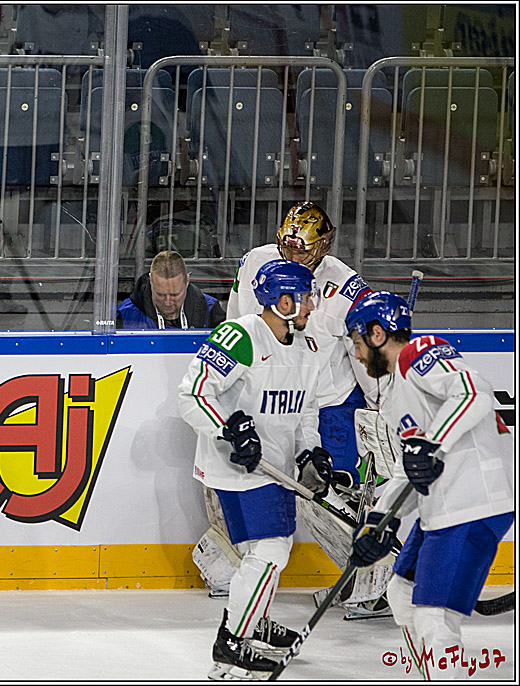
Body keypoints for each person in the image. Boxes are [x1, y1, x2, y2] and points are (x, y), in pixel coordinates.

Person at [209, 200, 392, 621]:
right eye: (290, 248)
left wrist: (380, 402)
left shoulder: (345, 286)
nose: (296, 257)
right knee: (238, 474)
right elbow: (237, 323)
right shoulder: (256, 262)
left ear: (323, 246)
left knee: (323, 491)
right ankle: (226, 565)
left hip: (328, 403)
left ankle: (369, 583)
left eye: (306, 251)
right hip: (269, 395)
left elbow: (362, 347)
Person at [345, 292, 514, 680]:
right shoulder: (392, 396)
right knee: (402, 595)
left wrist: (432, 442)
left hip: (473, 501)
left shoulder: (418, 351)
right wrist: (377, 519)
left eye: (356, 343)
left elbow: (474, 393)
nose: (355, 355)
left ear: (376, 334)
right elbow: (411, 470)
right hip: (442, 509)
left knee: (435, 620)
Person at [177, 259, 333, 680]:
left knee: (262, 554)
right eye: (304, 299)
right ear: (282, 301)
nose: (311, 306)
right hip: (237, 467)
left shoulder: (307, 347)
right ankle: (232, 642)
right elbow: (192, 394)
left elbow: (306, 413)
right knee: (271, 551)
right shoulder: (241, 334)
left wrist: (310, 453)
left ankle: (254, 618)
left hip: (276, 466)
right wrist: (228, 429)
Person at [116, 250, 227, 329]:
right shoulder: (126, 314)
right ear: (151, 281)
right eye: (160, 294)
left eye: (175, 295)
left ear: (187, 282)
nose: (168, 302)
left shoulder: (210, 310)